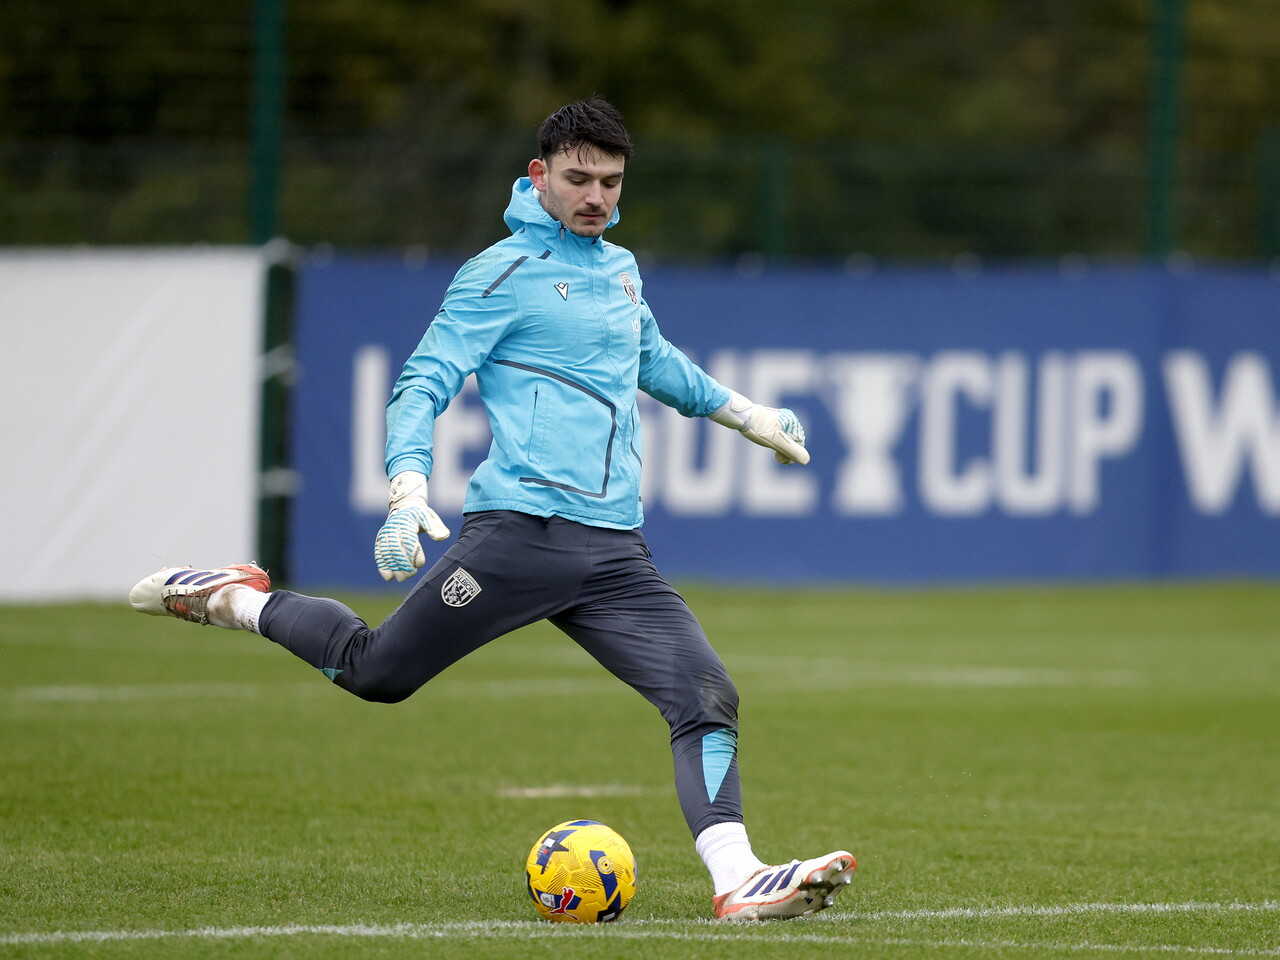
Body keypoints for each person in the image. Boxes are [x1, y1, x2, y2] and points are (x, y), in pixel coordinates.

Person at [129, 97, 855, 921]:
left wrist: (747, 414)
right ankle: (233, 597)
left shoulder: (619, 269)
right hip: (520, 537)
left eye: (612, 182)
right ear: (540, 176)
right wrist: (407, 484)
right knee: (376, 673)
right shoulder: (500, 272)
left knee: (706, 694)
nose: (596, 198)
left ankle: (738, 879)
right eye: (579, 179)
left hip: (617, 553)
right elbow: (421, 382)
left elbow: (655, 361)